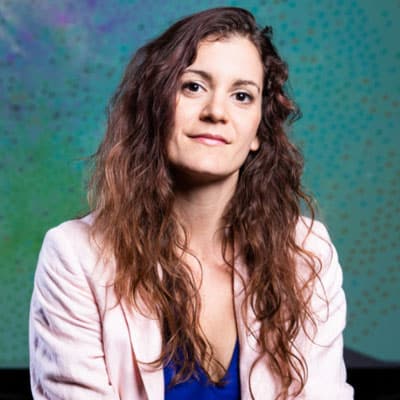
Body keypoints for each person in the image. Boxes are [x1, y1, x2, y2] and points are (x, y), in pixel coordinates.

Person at [29, 7, 354, 400]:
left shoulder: (306, 252)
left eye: (241, 96)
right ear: (156, 106)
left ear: (258, 131)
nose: (216, 112)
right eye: (193, 87)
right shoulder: (74, 256)